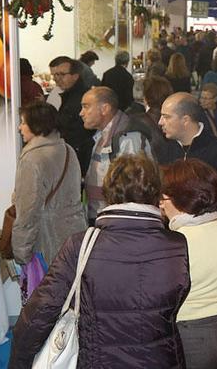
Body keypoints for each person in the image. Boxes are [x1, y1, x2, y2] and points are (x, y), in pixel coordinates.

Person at [10, 155, 190, 368]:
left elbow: (39, 312)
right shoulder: (177, 245)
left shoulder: (81, 245)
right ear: (157, 193)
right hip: (161, 360)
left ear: (109, 192)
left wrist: (18, 363)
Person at [160, 160, 217, 369]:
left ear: (181, 199)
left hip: (189, 338)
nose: (161, 204)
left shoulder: (171, 243)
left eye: (165, 197)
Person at [11, 101, 86, 266]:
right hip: (75, 234)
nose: (19, 128)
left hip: (48, 242)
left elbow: (28, 212)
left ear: (36, 125)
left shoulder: (32, 159)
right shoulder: (68, 149)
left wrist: (21, 254)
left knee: (46, 290)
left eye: (23, 122)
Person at [158, 93, 217, 219]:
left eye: (166, 117)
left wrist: (204, 215)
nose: (160, 122)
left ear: (185, 120)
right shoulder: (163, 151)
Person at [80, 87, 153, 221]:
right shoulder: (101, 136)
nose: (81, 113)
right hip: (103, 215)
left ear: (105, 108)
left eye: (86, 107)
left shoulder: (128, 137)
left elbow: (133, 185)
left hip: (118, 218)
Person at [49, 56, 95, 175]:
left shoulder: (83, 98)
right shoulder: (65, 94)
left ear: (75, 76)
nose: (56, 79)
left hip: (78, 154)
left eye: (61, 74)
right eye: (54, 75)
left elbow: (79, 130)